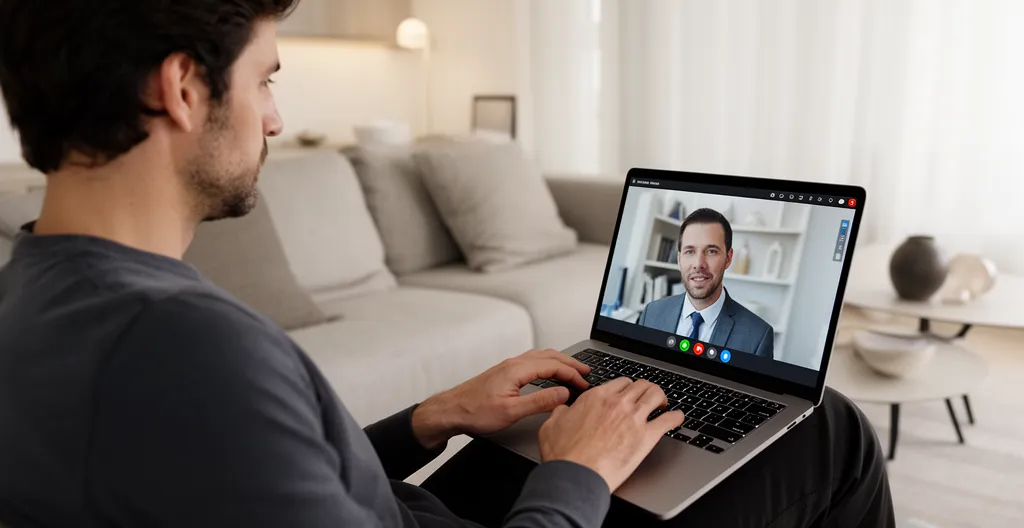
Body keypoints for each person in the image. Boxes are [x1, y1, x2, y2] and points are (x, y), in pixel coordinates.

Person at [0, 1, 894, 526]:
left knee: (561, 421)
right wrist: (578, 475)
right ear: (185, 88)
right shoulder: (181, 347)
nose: (274, 118)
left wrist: (432, 416)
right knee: (834, 430)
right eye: (266, 78)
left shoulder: (39, 295)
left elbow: (280, 479)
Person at [638, 208, 775, 358]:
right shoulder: (651, 313)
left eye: (711, 251)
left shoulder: (758, 337)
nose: (698, 264)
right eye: (689, 251)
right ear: (679, 259)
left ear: (728, 258)